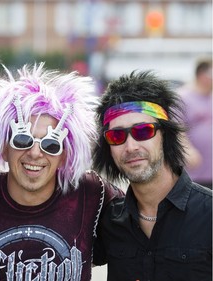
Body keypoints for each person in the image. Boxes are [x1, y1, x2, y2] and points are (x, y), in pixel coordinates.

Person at [0, 63, 124, 280]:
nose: (34, 153)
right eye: (22, 140)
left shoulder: (91, 194)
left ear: (64, 155)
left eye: (51, 145)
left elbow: (145, 220)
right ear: (3, 147)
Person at [91, 71, 212, 280]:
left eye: (143, 131)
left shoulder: (209, 215)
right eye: (116, 136)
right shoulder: (108, 220)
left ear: (164, 135)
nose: (130, 146)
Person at [178, 59, 212, 188]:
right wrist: (188, 150)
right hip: (194, 172)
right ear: (202, 75)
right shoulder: (182, 97)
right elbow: (177, 128)